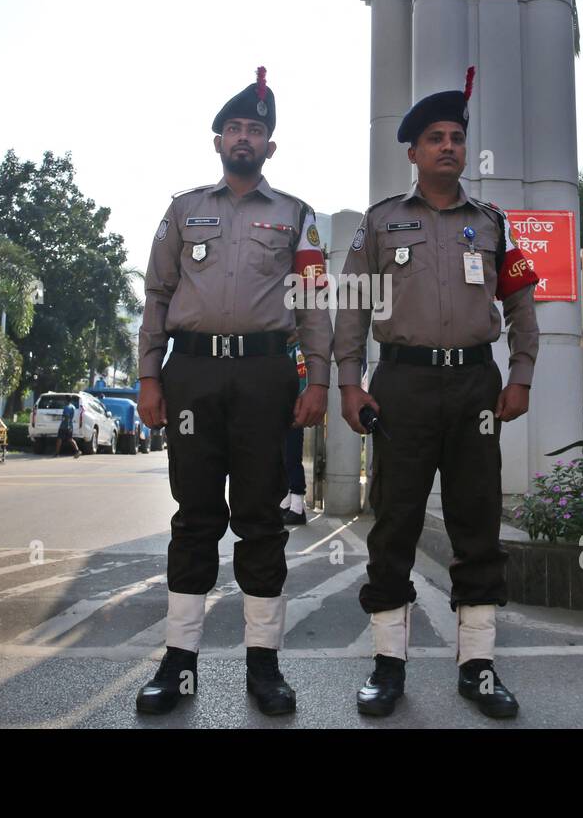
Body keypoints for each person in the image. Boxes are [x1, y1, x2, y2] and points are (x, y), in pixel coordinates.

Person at [333, 66, 539, 719]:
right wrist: (348, 381)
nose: (449, 145)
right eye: (436, 138)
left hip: (477, 382)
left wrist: (522, 373)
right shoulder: (380, 224)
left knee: (477, 522)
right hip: (403, 384)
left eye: (457, 136)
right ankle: (388, 666)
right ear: (414, 152)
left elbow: (523, 307)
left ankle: (477, 666)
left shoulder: (495, 224)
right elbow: (350, 312)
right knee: (394, 520)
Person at [135, 67, 332, 716]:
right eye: (236, 128)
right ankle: (177, 663)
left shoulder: (295, 217)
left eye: (257, 130)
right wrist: (148, 377)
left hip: (263, 378)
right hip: (190, 375)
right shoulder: (182, 209)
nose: (245, 137)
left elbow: (313, 306)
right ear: (217, 140)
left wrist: (319, 380)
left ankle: (264, 667)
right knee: (194, 520)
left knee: (261, 521)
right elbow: (158, 297)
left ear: (270, 147)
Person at [280, 335, 309, 526]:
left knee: (292, 458)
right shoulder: (285, 348)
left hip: (293, 410)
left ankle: (298, 508)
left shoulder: (297, 349)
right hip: (283, 411)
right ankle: (288, 504)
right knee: (283, 459)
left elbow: (301, 381)